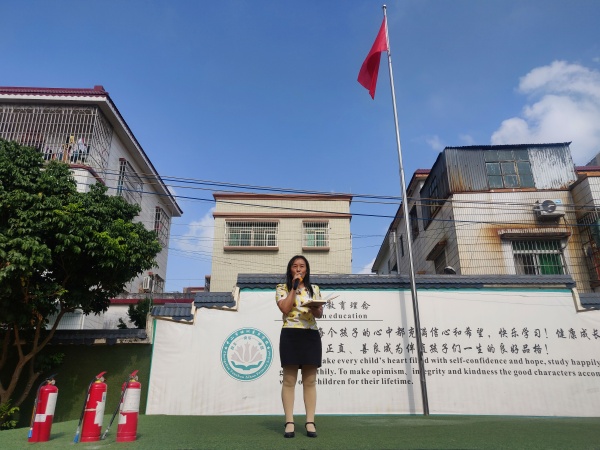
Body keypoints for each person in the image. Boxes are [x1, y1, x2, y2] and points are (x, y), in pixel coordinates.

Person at [276, 255, 323, 439]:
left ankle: (310, 422)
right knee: (289, 380)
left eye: (302, 266)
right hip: (290, 334)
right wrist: (294, 288)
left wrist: (315, 307)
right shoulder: (282, 288)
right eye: (295, 266)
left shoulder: (314, 289)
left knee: (310, 381)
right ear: (290, 270)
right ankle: (289, 422)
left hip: (310, 334)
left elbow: (319, 314)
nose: (298, 269)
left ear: (306, 270)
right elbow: (285, 308)